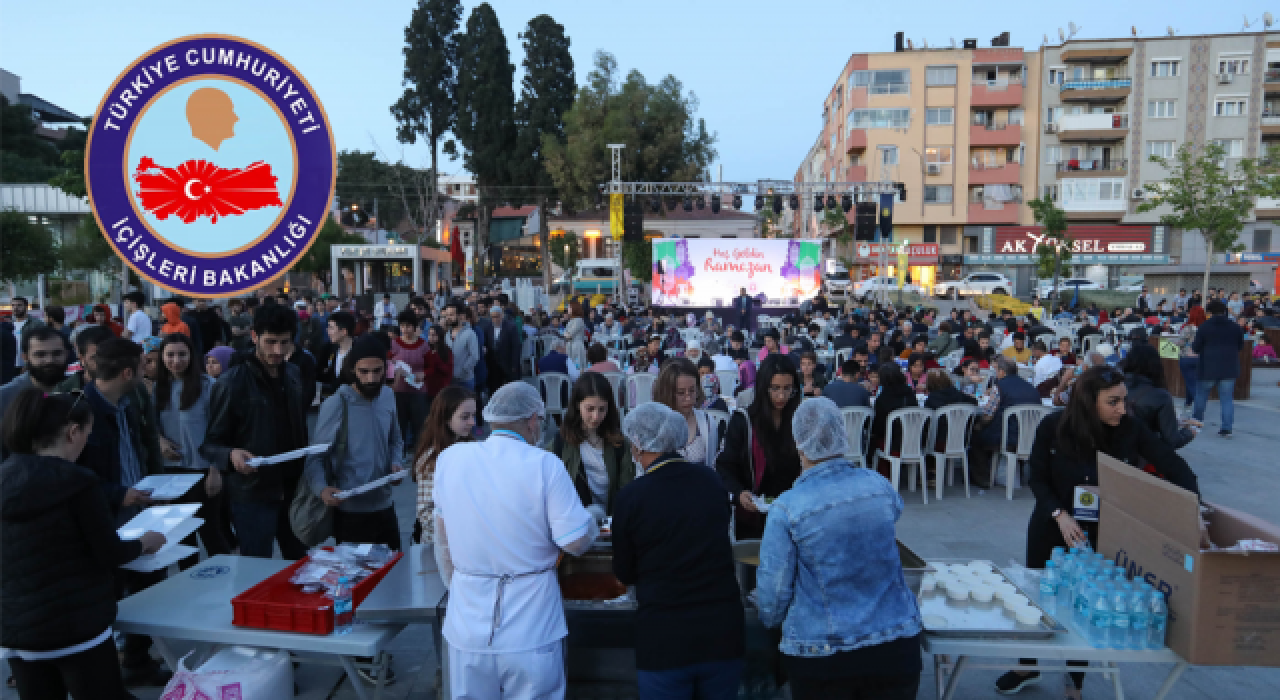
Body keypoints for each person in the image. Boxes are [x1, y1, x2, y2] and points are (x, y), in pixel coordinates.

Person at [996, 366, 1200, 698]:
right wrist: (1059, 514)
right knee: (1037, 596)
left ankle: (1074, 680)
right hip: (1053, 525)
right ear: (1089, 402)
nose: (1122, 409)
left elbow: (1175, 467)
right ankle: (1027, 662)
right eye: (1113, 402)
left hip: (1101, 532)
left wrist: (1196, 512)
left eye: (1123, 401)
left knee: (1087, 607)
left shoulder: (1130, 429)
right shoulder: (1054, 426)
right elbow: (1037, 477)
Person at [432, 382, 599, 697]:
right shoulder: (544, 464)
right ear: (534, 420)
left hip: (468, 619)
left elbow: (442, 539)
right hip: (531, 624)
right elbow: (574, 540)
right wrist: (591, 520)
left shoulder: (451, 459)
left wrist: (461, 586)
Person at [0, 390, 167, 700]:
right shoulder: (77, 482)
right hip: (75, 624)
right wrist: (144, 542)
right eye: (87, 434)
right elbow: (108, 552)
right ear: (73, 431)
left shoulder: (5, 477)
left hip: (17, 628)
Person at [756, 398, 923, 700]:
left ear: (800, 445)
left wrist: (768, 622)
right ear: (843, 436)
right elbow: (891, 515)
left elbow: (774, 593)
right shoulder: (879, 485)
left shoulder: (788, 508)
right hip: (896, 644)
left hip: (823, 655)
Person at [612, 403, 745, 699]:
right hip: (721, 633)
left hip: (664, 639)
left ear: (637, 446)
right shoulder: (710, 481)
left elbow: (624, 571)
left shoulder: (631, 497)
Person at [200, 304, 310, 560]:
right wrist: (231, 455)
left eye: (284, 343)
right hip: (252, 494)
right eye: (270, 342)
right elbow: (210, 444)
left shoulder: (293, 374)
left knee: (302, 565)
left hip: (294, 490)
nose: (277, 351)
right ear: (254, 336)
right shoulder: (232, 382)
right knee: (256, 569)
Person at [307, 336, 406, 550]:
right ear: (352, 370)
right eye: (364, 372)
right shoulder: (336, 404)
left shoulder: (388, 396)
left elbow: (395, 439)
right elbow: (315, 456)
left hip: (385, 506)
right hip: (350, 512)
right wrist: (321, 489)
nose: (371, 378)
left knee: (393, 574)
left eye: (377, 371)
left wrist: (396, 462)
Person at [155, 333, 230, 565]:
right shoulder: (159, 388)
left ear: (192, 356)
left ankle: (226, 585)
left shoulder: (208, 385)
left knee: (212, 532)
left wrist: (215, 470)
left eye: (182, 354)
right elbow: (150, 426)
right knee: (182, 537)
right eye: (170, 355)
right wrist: (160, 441)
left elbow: (222, 430)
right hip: (172, 473)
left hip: (203, 470)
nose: (176, 360)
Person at [716, 354, 803, 539]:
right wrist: (739, 493)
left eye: (788, 389)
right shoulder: (744, 421)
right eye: (775, 388)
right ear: (763, 388)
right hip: (753, 515)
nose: (782, 396)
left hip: (792, 513)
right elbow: (725, 466)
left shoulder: (799, 420)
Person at [550, 372, 636, 515]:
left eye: (602, 409)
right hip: (575, 524)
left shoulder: (620, 444)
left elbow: (626, 490)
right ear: (578, 405)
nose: (596, 417)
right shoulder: (559, 444)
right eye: (590, 409)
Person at [413, 386, 476, 545]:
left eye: (473, 415)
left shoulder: (471, 447)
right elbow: (426, 514)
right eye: (464, 417)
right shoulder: (431, 458)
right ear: (446, 418)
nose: (472, 422)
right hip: (442, 546)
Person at [971, 357, 1042, 488]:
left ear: (1002, 372)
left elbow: (987, 416)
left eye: (996, 370)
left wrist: (978, 425)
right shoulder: (1031, 387)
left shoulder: (999, 387)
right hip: (1030, 437)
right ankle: (1016, 473)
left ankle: (983, 477)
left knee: (975, 437)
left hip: (1007, 438)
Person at [0, 326, 70, 451]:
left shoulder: (78, 392)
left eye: (57, 353)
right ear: (25, 357)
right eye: (40, 355)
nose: (50, 360)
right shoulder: (5, 397)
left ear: (67, 354)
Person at [653, 358, 725, 471]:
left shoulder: (706, 422)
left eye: (692, 390)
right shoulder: (654, 425)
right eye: (680, 393)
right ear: (667, 393)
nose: (688, 398)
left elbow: (711, 467)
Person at [1122, 345, 1196, 449]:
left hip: (1110, 453)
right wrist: (1189, 433)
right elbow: (1172, 441)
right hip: (1142, 456)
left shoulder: (1113, 386)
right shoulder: (1160, 396)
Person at [1192, 300, 1243, 438]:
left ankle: (1196, 424)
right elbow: (1240, 346)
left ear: (1210, 312)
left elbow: (1196, 348)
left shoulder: (1204, 327)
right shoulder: (1235, 327)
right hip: (1229, 368)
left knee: (1201, 397)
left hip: (1207, 368)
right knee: (1227, 399)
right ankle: (1226, 428)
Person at [389, 311, 430, 455]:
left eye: (408, 326)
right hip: (399, 390)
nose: (405, 330)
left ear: (414, 327)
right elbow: (388, 366)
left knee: (419, 424)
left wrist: (424, 374)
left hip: (418, 390)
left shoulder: (423, 345)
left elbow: (431, 367)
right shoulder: (395, 344)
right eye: (402, 326)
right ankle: (400, 455)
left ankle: (421, 454)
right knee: (400, 424)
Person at [318, 311, 356, 399]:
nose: (327, 330)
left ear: (344, 331)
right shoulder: (328, 349)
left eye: (331, 328)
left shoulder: (359, 353)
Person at [442, 301, 479, 390]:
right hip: (449, 380)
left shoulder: (470, 334)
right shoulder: (447, 334)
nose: (448, 318)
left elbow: (474, 356)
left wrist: (463, 370)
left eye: (451, 315)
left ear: (460, 316)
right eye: (447, 315)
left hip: (465, 381)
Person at [488, 305, 523, 391]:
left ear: (502, 316)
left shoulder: (511, 327)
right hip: (494, 365)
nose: (495, 319)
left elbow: (516, 346)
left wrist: (514, 365)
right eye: (493, 317)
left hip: (508, 363)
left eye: (497, 316)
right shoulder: (488, 327)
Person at [564, 301, 588, 369]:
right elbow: (566, 334)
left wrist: (566, 334)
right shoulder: (571, 320)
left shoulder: (578, 320)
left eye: (569, 307)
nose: (568, 309)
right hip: (570, 345)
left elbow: (569, 334)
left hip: (577, 346)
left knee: (577, 367)